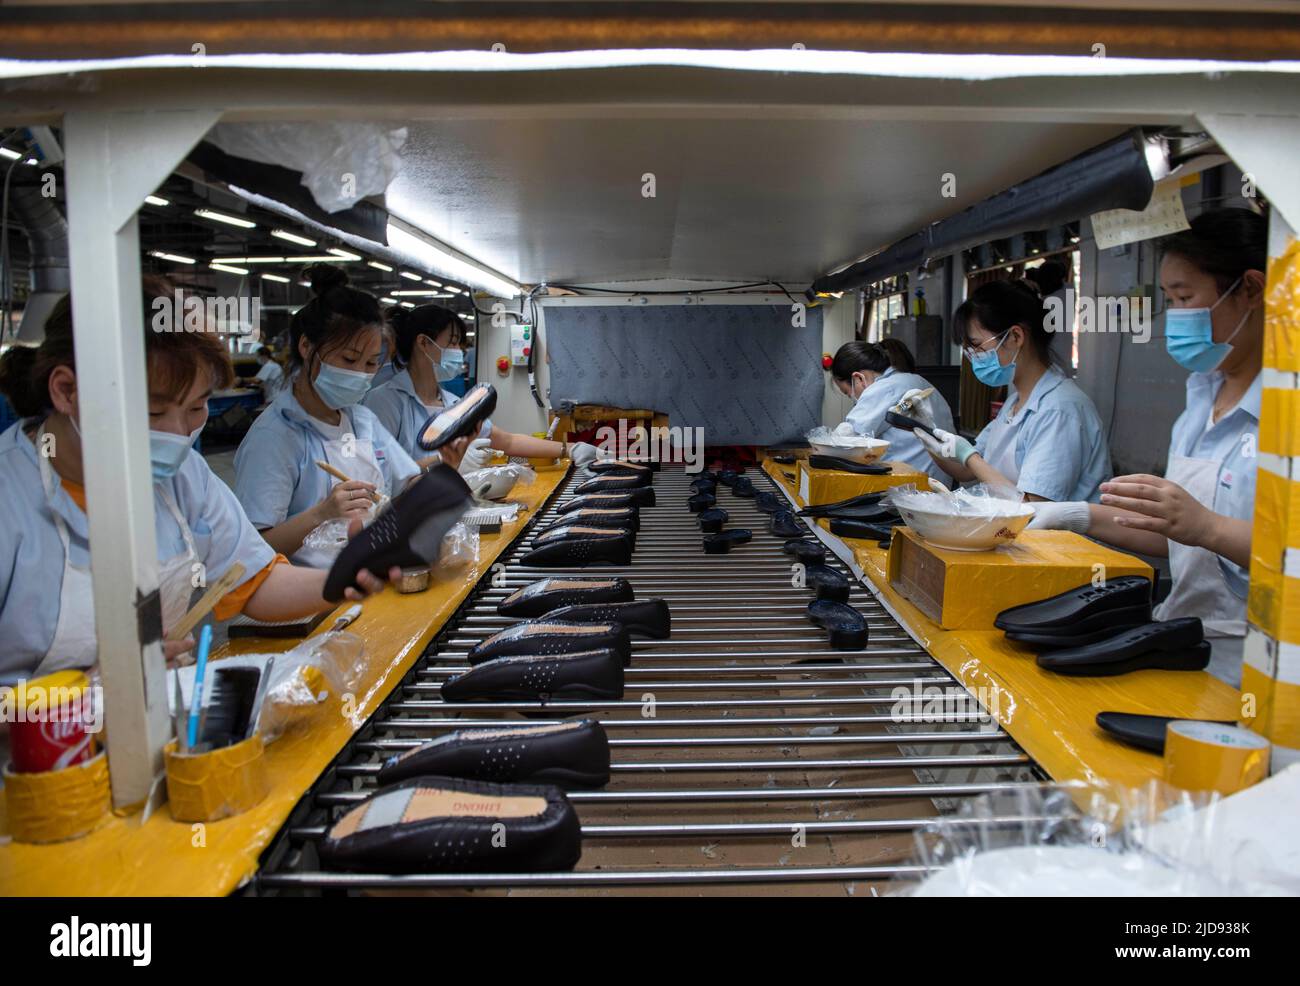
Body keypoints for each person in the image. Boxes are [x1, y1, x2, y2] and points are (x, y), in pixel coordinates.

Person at [0, 280, 395, 686]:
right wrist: (90, 691)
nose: (176, 434)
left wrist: (350, 574)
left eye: (196, 407)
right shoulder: (10, 496)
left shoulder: (184, 476)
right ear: (68, 391)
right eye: (153, 413)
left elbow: (256, 581)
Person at [1029, 208, 1267, 685]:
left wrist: (1211, 527)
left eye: (1185, 298)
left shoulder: (1285, 407)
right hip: (1187, 644)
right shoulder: (1201, 396)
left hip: (1260, 666)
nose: (1175, 317)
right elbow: (1177, 535)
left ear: (1251, 290)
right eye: (1168, 299)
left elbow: (1271, 549)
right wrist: (1079, 516)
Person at [233, 267, 469, 567]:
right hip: (308, 600)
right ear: (307, 347)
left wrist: (444, 466)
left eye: (371, 363)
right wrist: (322, 513)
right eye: (348, 359)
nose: (360, 373)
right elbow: (253, 551)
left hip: (370, 577)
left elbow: (398, 494)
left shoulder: (362, 421)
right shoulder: (275, 437)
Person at [914, 278, 1111, 502]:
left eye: (977, 347)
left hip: (1050, 534)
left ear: (1016, 337)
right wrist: (924, 431)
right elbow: (967, 470)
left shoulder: (1059, 409)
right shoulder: (1016, 402)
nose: (973, 359)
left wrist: (968, 456)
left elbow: (1033, 506)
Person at [362, 303, 606, 471]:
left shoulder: (452, 404)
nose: (460, 352)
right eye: (453, 343)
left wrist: (571, 449)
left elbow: (507, 441)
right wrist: (441, 461)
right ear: (423, 343)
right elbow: (380, 476)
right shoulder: (385, 402)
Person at [828, 340, 954, 484]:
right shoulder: (919, 381)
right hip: (941, 482)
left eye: (847, 392)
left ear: (858, 378)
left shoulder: (885, 388)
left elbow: (845, 441)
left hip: (912, 489)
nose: (852, 397)